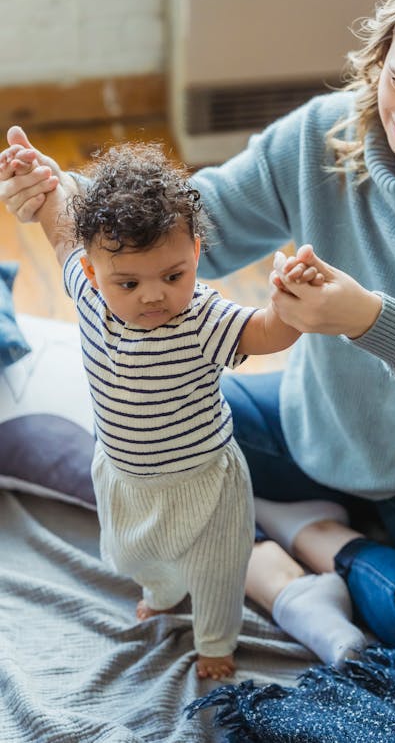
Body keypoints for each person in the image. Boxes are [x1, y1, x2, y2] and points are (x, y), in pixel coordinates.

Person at [1, 0, 395, 677]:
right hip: (315, 420)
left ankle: (319, 540)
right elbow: (189, 225)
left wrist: (367, 319)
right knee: (142, 436)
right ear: (380, 57)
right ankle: (276, 550)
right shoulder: (323, 133)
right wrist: (62, 195)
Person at [1, 140, 319, 681]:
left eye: (172, 276)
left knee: (218, 571)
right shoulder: (87, 290)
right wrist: (42, 179)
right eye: (129, 282)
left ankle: (217, 639)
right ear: (95, 273)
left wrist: (290, 303)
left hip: (205, 482)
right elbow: (61, 233)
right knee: (135, 554)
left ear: (195, 254)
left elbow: (264, 333)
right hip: (125, 476)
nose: (154, 296)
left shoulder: (202, 318)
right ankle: (162, 591)